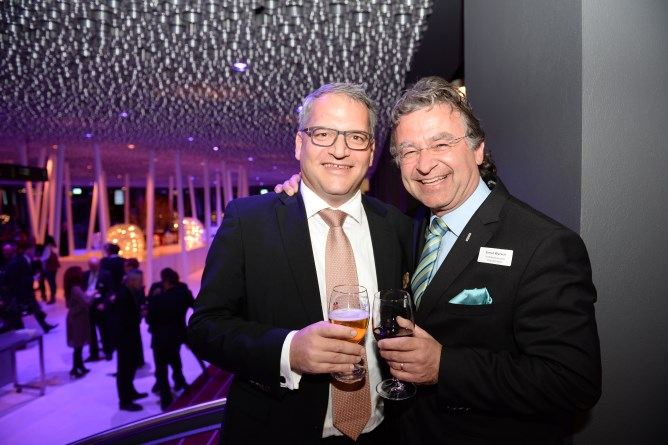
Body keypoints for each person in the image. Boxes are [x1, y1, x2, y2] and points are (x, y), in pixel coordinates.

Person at [276, 77, 602, 444]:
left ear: (478, 150)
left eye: (441, 143)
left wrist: (444, 366)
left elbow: (573, 381)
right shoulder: (409, 228)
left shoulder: (544, 244)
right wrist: (308, 191)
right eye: (409, 151)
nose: (425, 164)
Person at [188, 83, 413, 444]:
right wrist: (288, 350)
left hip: (382, 433)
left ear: (371, 152)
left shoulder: (397, 226)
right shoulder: (249, 222)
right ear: (299, 144)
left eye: (356, 137)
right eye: (323, 134)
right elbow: (205, 327)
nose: (339, 150)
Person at [146, 267, 194, 410]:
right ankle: (179, 381)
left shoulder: (158, 298)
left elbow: (149, 319)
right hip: (177, 335)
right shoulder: (184, 292)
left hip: (160, 338)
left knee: (161, 369)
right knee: (175, 359)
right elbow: (195, 306)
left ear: (165, 281)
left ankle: (166, 399)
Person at [112, 269, 147, 411]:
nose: (141, 283)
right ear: (132, 281)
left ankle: (131, 392)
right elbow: (123, 319)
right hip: (124, 339)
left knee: (131, 366)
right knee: (124, 370)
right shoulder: (123, 295)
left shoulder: (131, 292)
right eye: (139, 281)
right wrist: (140, 315)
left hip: (130, 336)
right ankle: (125, 401)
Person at [5, 241, 57, 333]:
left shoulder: (25, 259)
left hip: (26, 291)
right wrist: (33, 278)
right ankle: (22, 332)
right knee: (25, 312)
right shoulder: (19, 261)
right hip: (21, 292)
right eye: (32, 249)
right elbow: (18, 278)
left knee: (35, 309)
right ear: (27, 250)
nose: (34, 251)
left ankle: (45, 326)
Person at [83, 257, 114, 362]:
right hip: (89, 305)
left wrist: (104, 304)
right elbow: (83, 288)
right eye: (91, 266)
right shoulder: (85, 274)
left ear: (98, 266)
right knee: (91, 331)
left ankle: (108, 351)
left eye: (94, 267)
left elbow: (109, 291)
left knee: (104, 330)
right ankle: (93, 353)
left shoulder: (106, 275)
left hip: (100, 305)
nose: (92, 268)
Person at [64, 266, 92, 378]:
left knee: (78, 345)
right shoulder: (76, 289)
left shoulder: (71, 287)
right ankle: (76, 368)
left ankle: (79, 366)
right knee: (78, 345)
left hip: (75, 317)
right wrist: (93, 295)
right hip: (78, 319)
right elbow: (87, 302)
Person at [41, 235, 60, 304]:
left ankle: (51, 297)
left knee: (50, 282)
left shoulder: (47, 248)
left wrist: (38, 259)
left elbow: (44, 258)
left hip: (48, 267)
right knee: (53, 282)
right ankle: (53, 297)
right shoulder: (55, 247)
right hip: (54, 267)